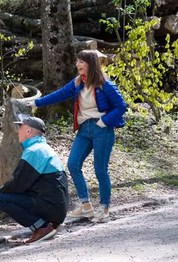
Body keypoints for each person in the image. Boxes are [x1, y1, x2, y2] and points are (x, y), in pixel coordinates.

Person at [26, 50, 127, 222]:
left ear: (91, 64)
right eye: (77, 61)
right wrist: (36, 102)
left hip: (102, 129)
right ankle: (85, 206)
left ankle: (104, 208)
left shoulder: (105, 84)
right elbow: (59, 95)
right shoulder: (78, 82)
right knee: (73, 164)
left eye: (81, 61)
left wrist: (104, 121)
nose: (78, 65)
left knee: (100, 170)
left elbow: (121, 106)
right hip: (84, 130)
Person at [0, 115, 68, 243]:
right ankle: (50, 224)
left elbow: (18, 183)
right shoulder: (43, 149)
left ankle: (42, 227)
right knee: (5, 195)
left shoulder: (35, 151)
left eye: (21, 128)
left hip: (51, 207)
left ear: (29, 131)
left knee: (2, 199)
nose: (18, 131)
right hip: (56, 208)